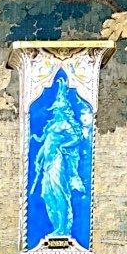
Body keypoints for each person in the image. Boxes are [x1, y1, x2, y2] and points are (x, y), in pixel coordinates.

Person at [29, 83, 87, 241]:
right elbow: (46, 143)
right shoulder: (52, 124)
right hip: (47, 164)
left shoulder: (66, 124)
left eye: (57, 109)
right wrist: (38, 158)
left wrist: (63, 146)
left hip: (57, 162)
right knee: (47, 194)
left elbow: (78, 138)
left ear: (62, 110)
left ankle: (63, 227)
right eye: (54, 109)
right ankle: (57, 228)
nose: (55, 111)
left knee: (59, 192)